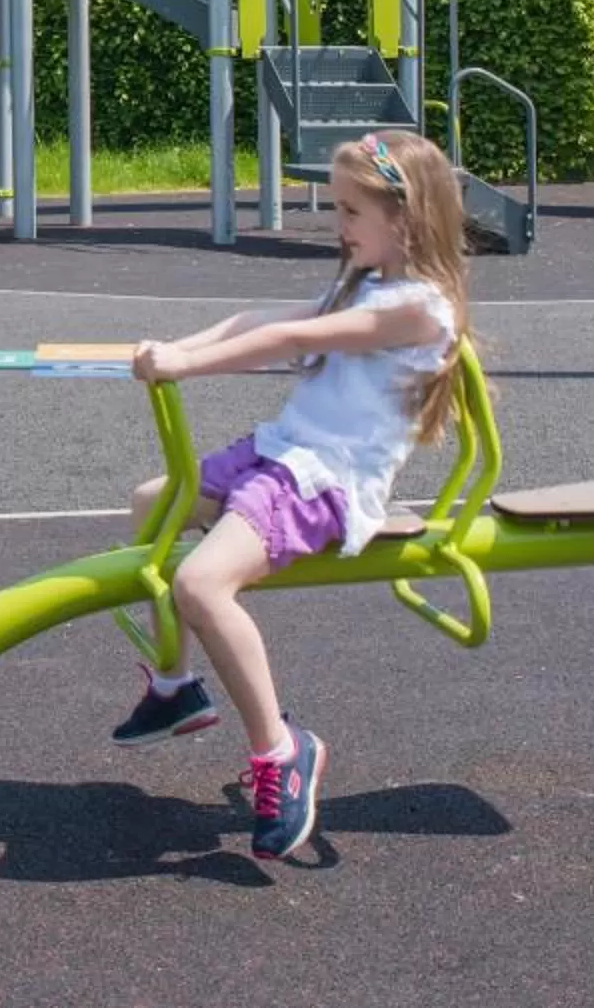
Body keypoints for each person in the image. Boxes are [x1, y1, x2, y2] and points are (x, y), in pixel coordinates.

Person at [110, 130, 470, 862]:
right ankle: (178, 688)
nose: (337, 225)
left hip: (325, 480)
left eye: (349, 211)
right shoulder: (363, 283)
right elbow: (261, 322)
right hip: (281, 451)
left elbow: (285, 341)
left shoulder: (420, 309)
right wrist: (179, 343)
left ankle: (281, 749)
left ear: (406, 218)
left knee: (200, 584)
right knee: (152, 504)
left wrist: (189, 364)